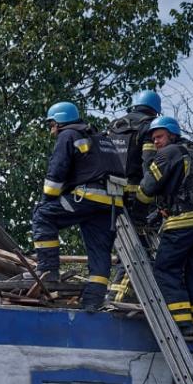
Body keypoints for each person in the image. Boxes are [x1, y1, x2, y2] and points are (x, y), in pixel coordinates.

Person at [31, 101, 123, 310]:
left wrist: (47, 200)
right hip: (111, 204)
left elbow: (57, 171)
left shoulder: (68, 135)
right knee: (100, 252)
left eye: (51, 125)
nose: (51, 131)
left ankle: (48, 271)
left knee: (43, 216)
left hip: (87, 197)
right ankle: (93, 300)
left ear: (59, 122)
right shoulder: (102, 138)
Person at [136, 115, 193, 339]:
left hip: (183, 220)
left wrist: (138, 208)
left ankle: (182, 323)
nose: (156, 142)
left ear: (172, 135)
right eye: (153, 139)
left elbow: (147, 189)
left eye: (160, 137)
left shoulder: (169, 153)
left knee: (165, 269)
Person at [108, 90, 162, 224]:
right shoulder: (150, 125)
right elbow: (149, 162)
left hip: (111, 191)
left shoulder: (115, 125)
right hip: (137, 193)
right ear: (156, 110)